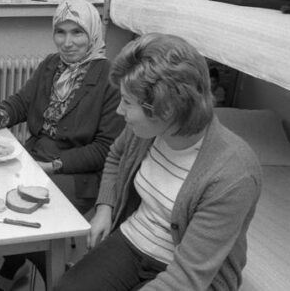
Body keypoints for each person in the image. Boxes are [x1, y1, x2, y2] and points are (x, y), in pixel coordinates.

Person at [56, 33, 262, 290]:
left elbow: (187, 277)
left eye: (127, 103)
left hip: (187, 271)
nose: (120, 111)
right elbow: (115, 156)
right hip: (134, 240)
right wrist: (105, 207)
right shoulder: (143, 130)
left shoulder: (233, 175)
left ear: (166, 110)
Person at [0, 0, 124, 291]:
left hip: (78, 173)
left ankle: (50, 270)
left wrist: (54, 166)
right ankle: (20, 262)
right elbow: (22, 101)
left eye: (77, 32)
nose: (67, 42)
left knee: (23, 207)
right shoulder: (50, 65)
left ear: (93, 33)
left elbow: (104, 150)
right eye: (61, 31)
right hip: (35, 159)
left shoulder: (110, 78)